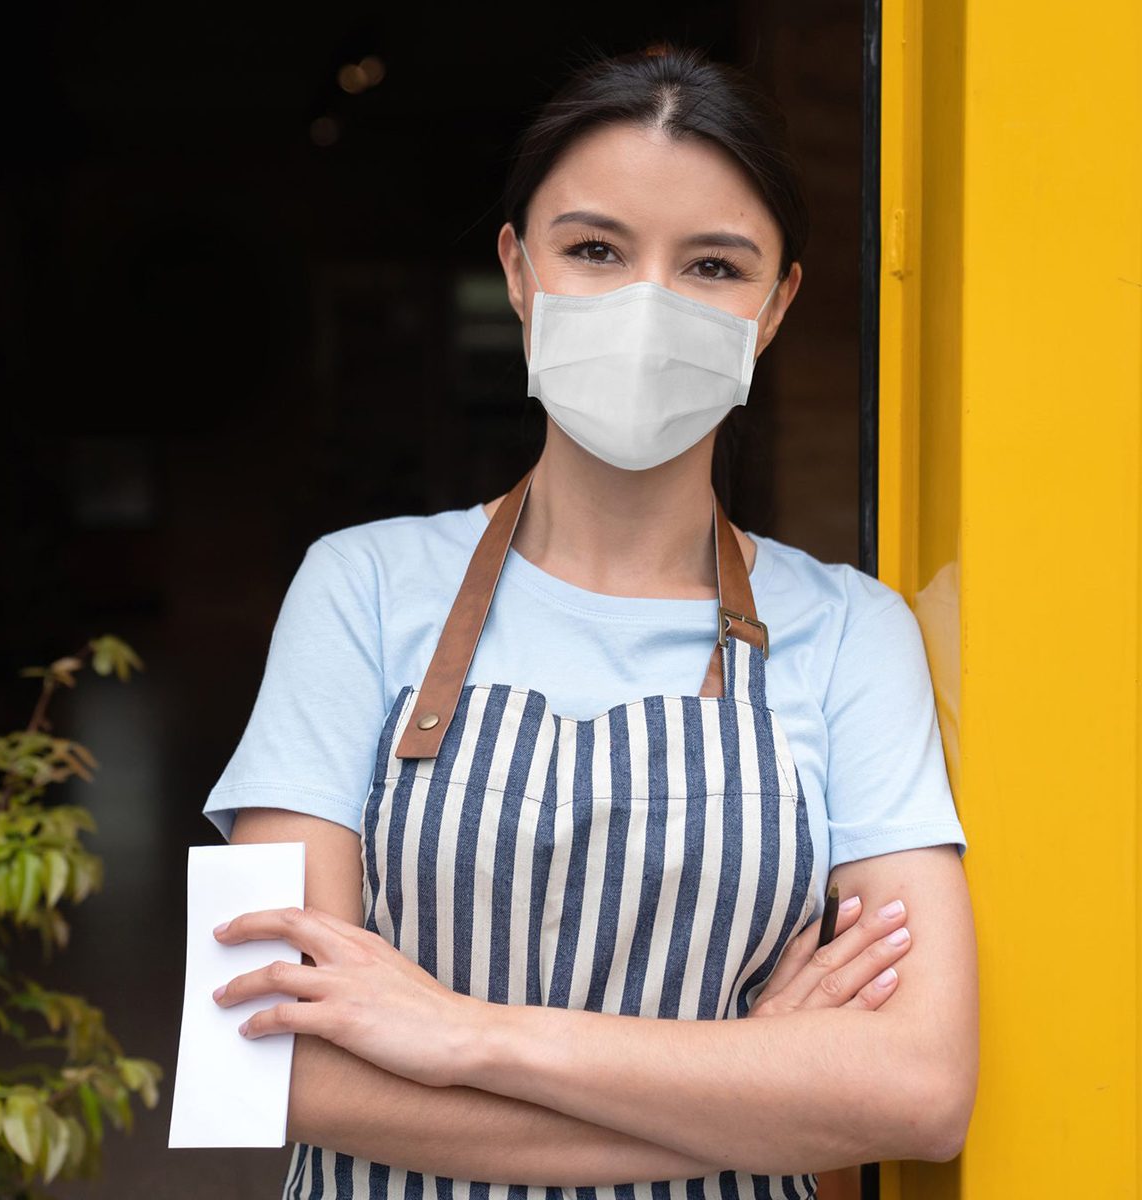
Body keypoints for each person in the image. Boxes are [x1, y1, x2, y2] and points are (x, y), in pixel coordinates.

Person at [202, 43, 978, 1200]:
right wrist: (766, 1090)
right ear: (519, 270)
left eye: (713, 265)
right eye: (596, 249)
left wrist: (466, 1032)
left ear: (777, 307)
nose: (646, 304)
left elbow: (918, 1091)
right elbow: (251, 1065)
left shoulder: (855, 632)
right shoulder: (357, 587)